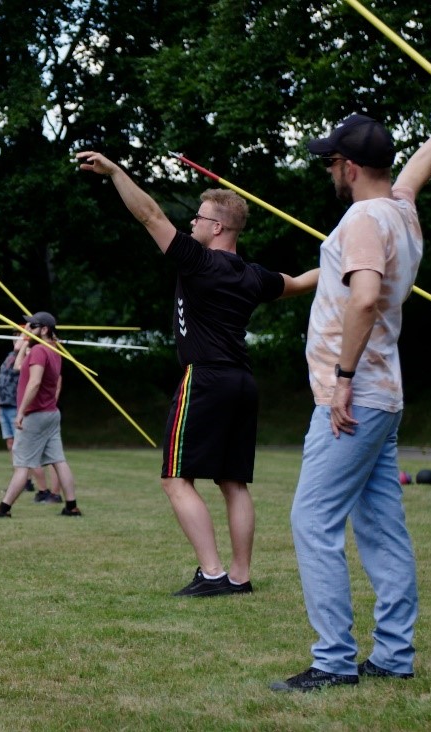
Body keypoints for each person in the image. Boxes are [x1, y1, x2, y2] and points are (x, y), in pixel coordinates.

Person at [271, 104, 431, 692]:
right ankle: (394, 656)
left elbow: (365, 297)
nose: (328, 170)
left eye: (331, 162)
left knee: (312, 519)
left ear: (348, 166)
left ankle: (333, 662)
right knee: (381, 527)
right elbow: (418, 172)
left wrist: (343, 378)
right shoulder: (398, 209)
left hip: (355, 398)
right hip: (384, 396)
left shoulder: (366, 220)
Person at [77, 151, 319, 597]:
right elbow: (303, 282)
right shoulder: (254, 276)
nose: (191, 224)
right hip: (243, 383)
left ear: (218, 228)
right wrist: (347, 261)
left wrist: (114, 172)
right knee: (233, 482)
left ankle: (212, 575)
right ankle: (239, 577)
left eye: (199, 218)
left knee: (175, 479)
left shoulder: (199, 262)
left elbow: (149, 215)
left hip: (205, 378)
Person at [0, 312, 81, 518]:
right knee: (59, 460)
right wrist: (25, 340)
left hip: (35, 415)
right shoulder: (53, 350)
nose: (26, 328)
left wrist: (21, 412)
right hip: (51, 414)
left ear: (44, 329)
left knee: (21, 464)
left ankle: (3, 509)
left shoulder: (39, 351)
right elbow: (18, 367)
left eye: (32, 326)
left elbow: (34, 382)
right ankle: (71, 506)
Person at [0, 333, 59, 503]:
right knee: (14, 447)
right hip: (5, 405)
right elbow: (3, 381)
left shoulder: (32, 353)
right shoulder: (10, 357)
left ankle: (42, 489)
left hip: (19, 406)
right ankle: (23, 482)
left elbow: (31, 380)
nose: (16, 340)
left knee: (29, 451)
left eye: (20, 337)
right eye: (14, 338)